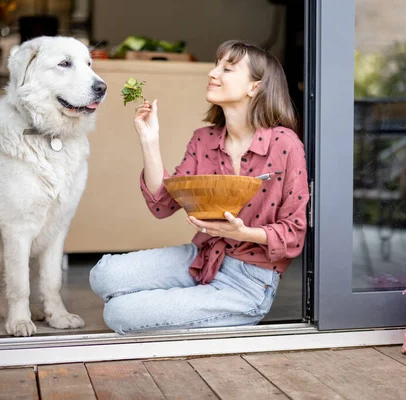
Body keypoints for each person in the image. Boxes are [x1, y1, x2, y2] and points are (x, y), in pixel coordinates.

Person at [89, 40, 309, 334]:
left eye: (227, 69)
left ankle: (204, 309)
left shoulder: (284, 145)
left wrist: (243, 233)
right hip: (202, 257)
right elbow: (162, 204)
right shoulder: (203, 139)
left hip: (248, 281)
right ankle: (180, 305)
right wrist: (149, 140)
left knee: (119, 313)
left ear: (254, 88)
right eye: (216, 64)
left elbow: (294, 233)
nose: (213, 72)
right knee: (103, 275)